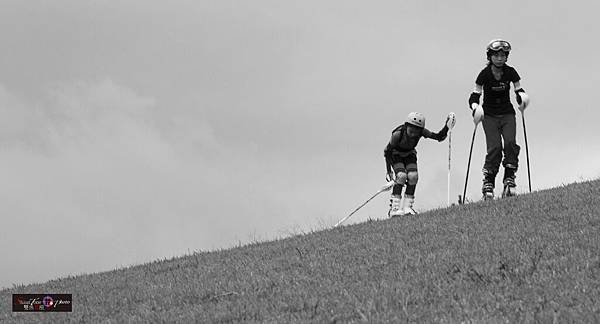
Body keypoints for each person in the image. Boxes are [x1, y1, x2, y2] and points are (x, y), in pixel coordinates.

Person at [468, 39, 530, 200]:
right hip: (489, 115)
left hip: (507, 113)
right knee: (495, 147)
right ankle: (488, 181)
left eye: (503, 55)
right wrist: (475, 107)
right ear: (490, 57)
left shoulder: (511, 72)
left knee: (510, 143)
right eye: (496, 55)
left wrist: (522, 98)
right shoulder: (484, 74)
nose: (500, 58)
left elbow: (518, 89)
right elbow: (474, 96)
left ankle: (509, 177)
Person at [384, 112, 454, 217]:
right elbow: (387, 151)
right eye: (411, 131)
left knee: (413, 177)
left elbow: (439, 136)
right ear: (406, 126)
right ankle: (394, 209)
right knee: (401, 176)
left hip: (410, 154)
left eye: (416, 132)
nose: (413, 134)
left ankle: (407, 207)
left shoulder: (422, 132)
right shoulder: (397, 134)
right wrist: (389, 171)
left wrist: (447, 126)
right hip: (395, 154)